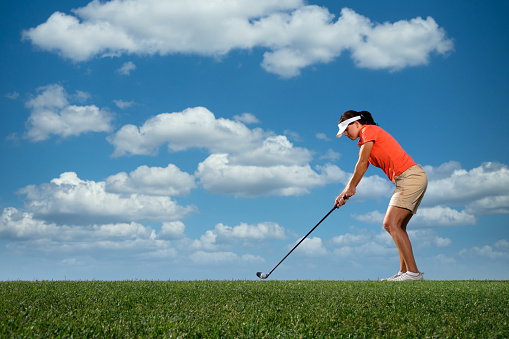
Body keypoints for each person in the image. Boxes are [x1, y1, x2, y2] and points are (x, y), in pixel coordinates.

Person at [334, 110, 427, 281]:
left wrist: (351, 188)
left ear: (356, 123)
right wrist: (344, 193)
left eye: (346, 130)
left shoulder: (367, 131)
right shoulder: (365, 142)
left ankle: (413, 273)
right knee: (398, 226)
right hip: (408, 178)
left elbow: (361, 163)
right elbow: (361, 167)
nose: (346, 134)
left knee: (390, 223)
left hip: (410, 177)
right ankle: (404, 272)